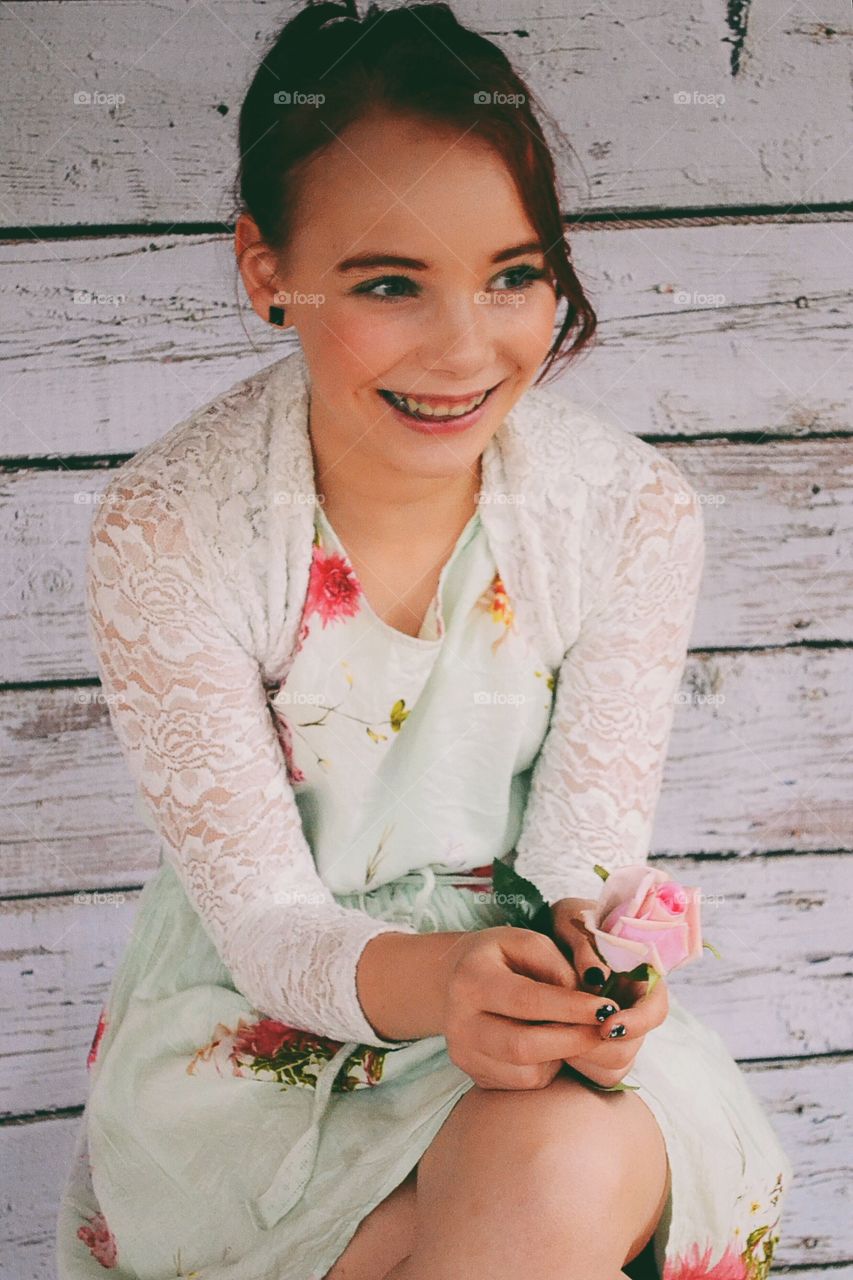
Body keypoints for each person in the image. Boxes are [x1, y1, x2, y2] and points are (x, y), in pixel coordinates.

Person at [55, 3, 794, 1278]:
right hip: (280, 1018)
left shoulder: (625, 514)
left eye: (514, 275)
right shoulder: (169, 529)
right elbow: (268, 918)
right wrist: (440, 981)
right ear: (264, 270)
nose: (467, 349)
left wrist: (601, 984)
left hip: (514, 1002)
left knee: (556, 1160)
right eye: (391, 283)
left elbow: (581, 854)